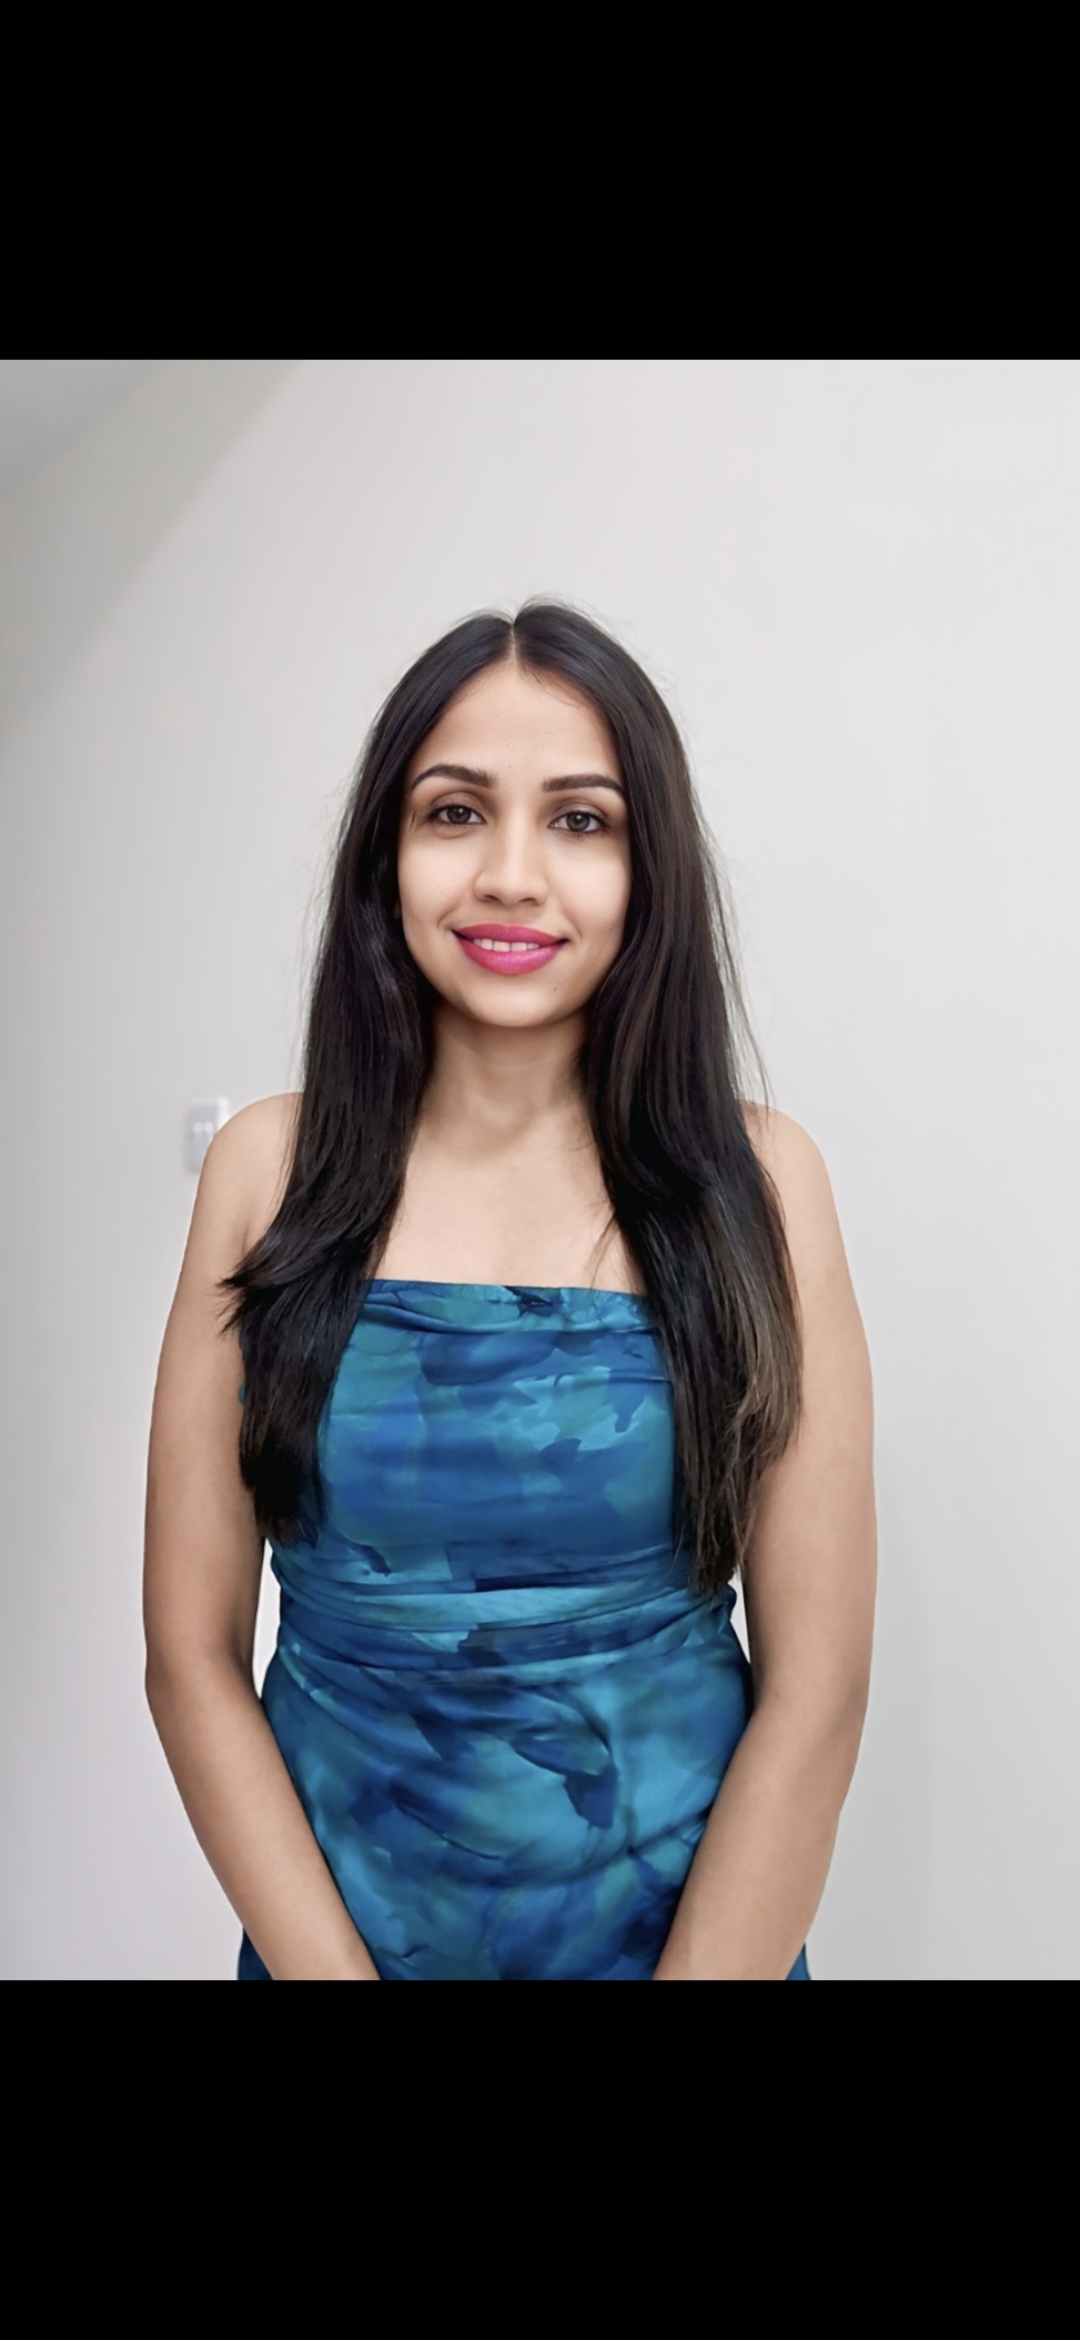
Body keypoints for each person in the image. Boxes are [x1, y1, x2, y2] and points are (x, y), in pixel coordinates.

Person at [143, 602, 876, 1981]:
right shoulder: (266, 1171)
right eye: (456, 812)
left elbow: (820, 1690)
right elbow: (190, 1655)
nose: (512, 876)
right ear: (387, 852)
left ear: (650, 868)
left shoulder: (764, 1185)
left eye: (581, 820)